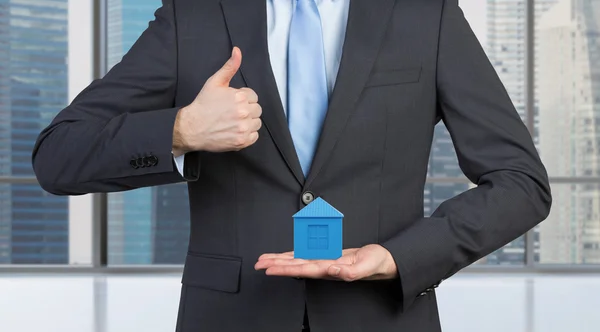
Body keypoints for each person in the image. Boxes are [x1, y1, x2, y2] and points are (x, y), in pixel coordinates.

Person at [31, 0, 552, 331]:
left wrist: (399, 256)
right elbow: (57, 155)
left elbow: (520, 182)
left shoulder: (423, 13)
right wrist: (181, 130)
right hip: (232, 319)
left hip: (381, 318)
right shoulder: (195, 14)